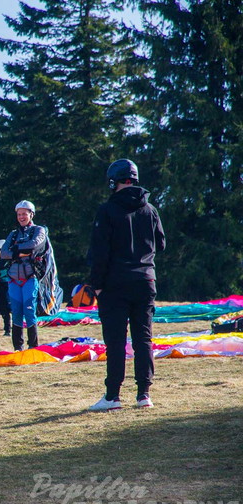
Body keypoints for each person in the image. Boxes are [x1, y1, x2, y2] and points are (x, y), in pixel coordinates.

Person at [87, 159, 165, 411]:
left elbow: (99, 252)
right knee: (143, 338)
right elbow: (161, 244)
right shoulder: (150, 209)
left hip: (115, 283)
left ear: (113, 180)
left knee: (116, 341)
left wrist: (96, 285)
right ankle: (144, 394)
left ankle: (112, 396)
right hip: (145, 280)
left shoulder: (107, 210)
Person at [0, 200, 47, 351]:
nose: (21, 217)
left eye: (24, 214)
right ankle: (17, 347)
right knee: (16, 312)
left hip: (30, 277)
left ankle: (33, 346)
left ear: (31, 215)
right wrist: (19, 252)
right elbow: (3, 253)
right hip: (13, 279)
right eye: (19, 214)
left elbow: (34, 245)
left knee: (29, 310)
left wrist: (14, 250)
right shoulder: (13, 234)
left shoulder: (39, 230)